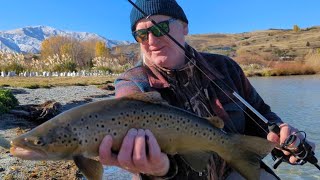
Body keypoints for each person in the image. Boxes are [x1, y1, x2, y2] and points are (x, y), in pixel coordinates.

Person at [98, 0, 316, 179]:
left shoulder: (225, 67)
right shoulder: (132, 82)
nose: (152, 40)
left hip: (235, 171)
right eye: (141, 35)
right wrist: (159, 171)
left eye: (160, 28)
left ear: (184, 27)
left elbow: (261, 115)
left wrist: (285, 138)